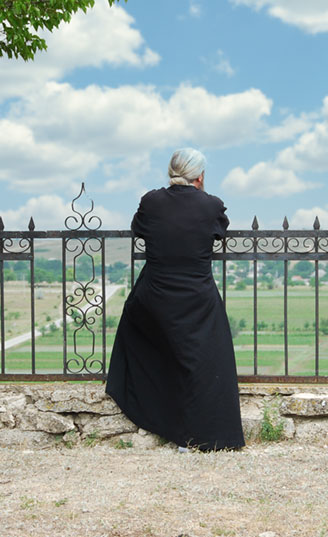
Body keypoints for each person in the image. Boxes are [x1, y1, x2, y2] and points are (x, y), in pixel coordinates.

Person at [105, 148, 245, 451]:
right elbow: (218, 232)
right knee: (206, 363)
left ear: (171, 171)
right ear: (200, 176)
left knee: (153, 351)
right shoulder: (212, 205)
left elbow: (139, 228)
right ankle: (202, 436)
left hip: (155, 296)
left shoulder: (151, 201)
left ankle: (165, 423)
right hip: (197, 297)